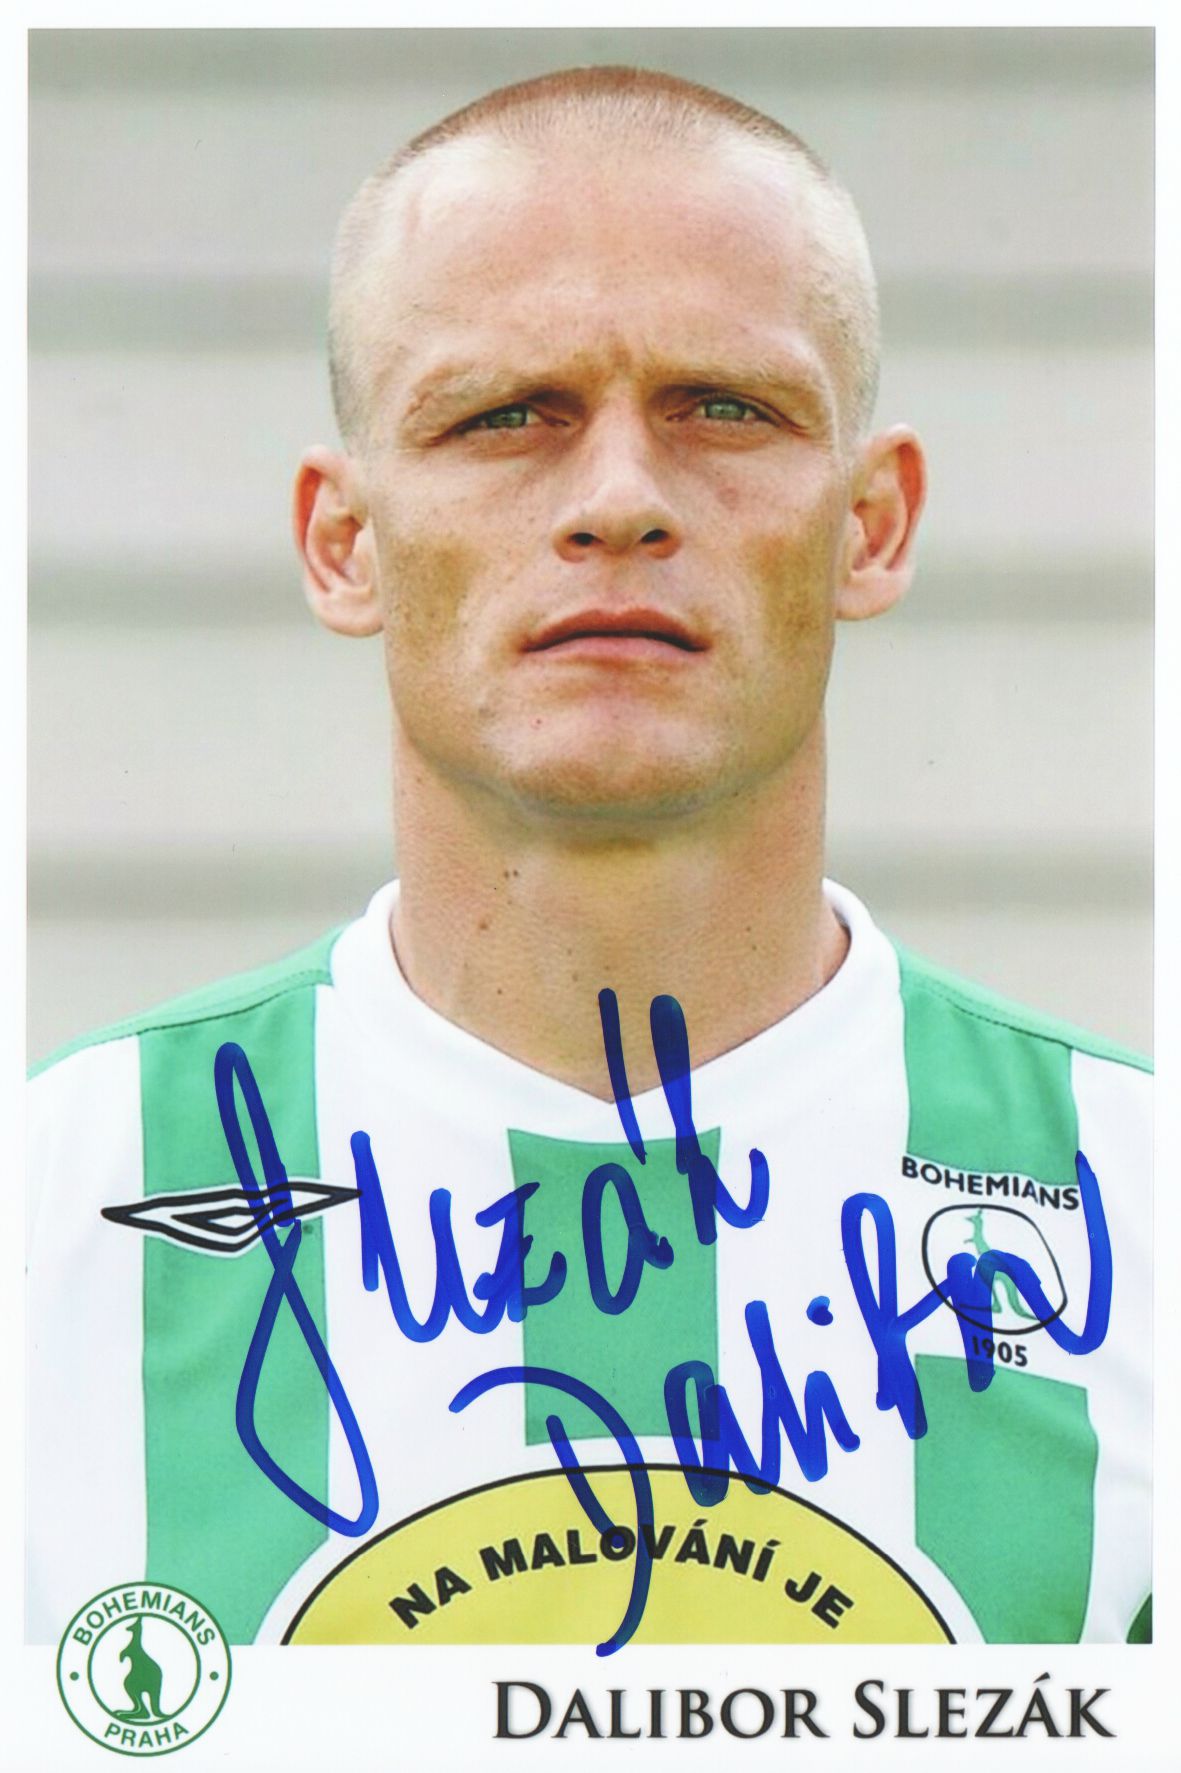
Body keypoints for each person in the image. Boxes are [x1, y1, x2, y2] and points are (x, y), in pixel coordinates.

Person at [27, 66, 1151, 1654]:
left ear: (870, 524)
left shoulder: (1145, 1211)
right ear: (343, 541)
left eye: (722, 408)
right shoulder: (50, 1215)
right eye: (505, 416)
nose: (618, 501)